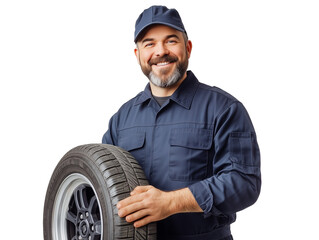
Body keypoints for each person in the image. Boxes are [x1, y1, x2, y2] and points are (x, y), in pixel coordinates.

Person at [102, 5, 261, 240]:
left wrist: (171, 202)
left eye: (171, 41)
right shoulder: (121, 119)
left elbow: (244, 183)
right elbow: (102, 186)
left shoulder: (224, 109)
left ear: (187, 48)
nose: (160, 51)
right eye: (149, 44)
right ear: (138, 55)